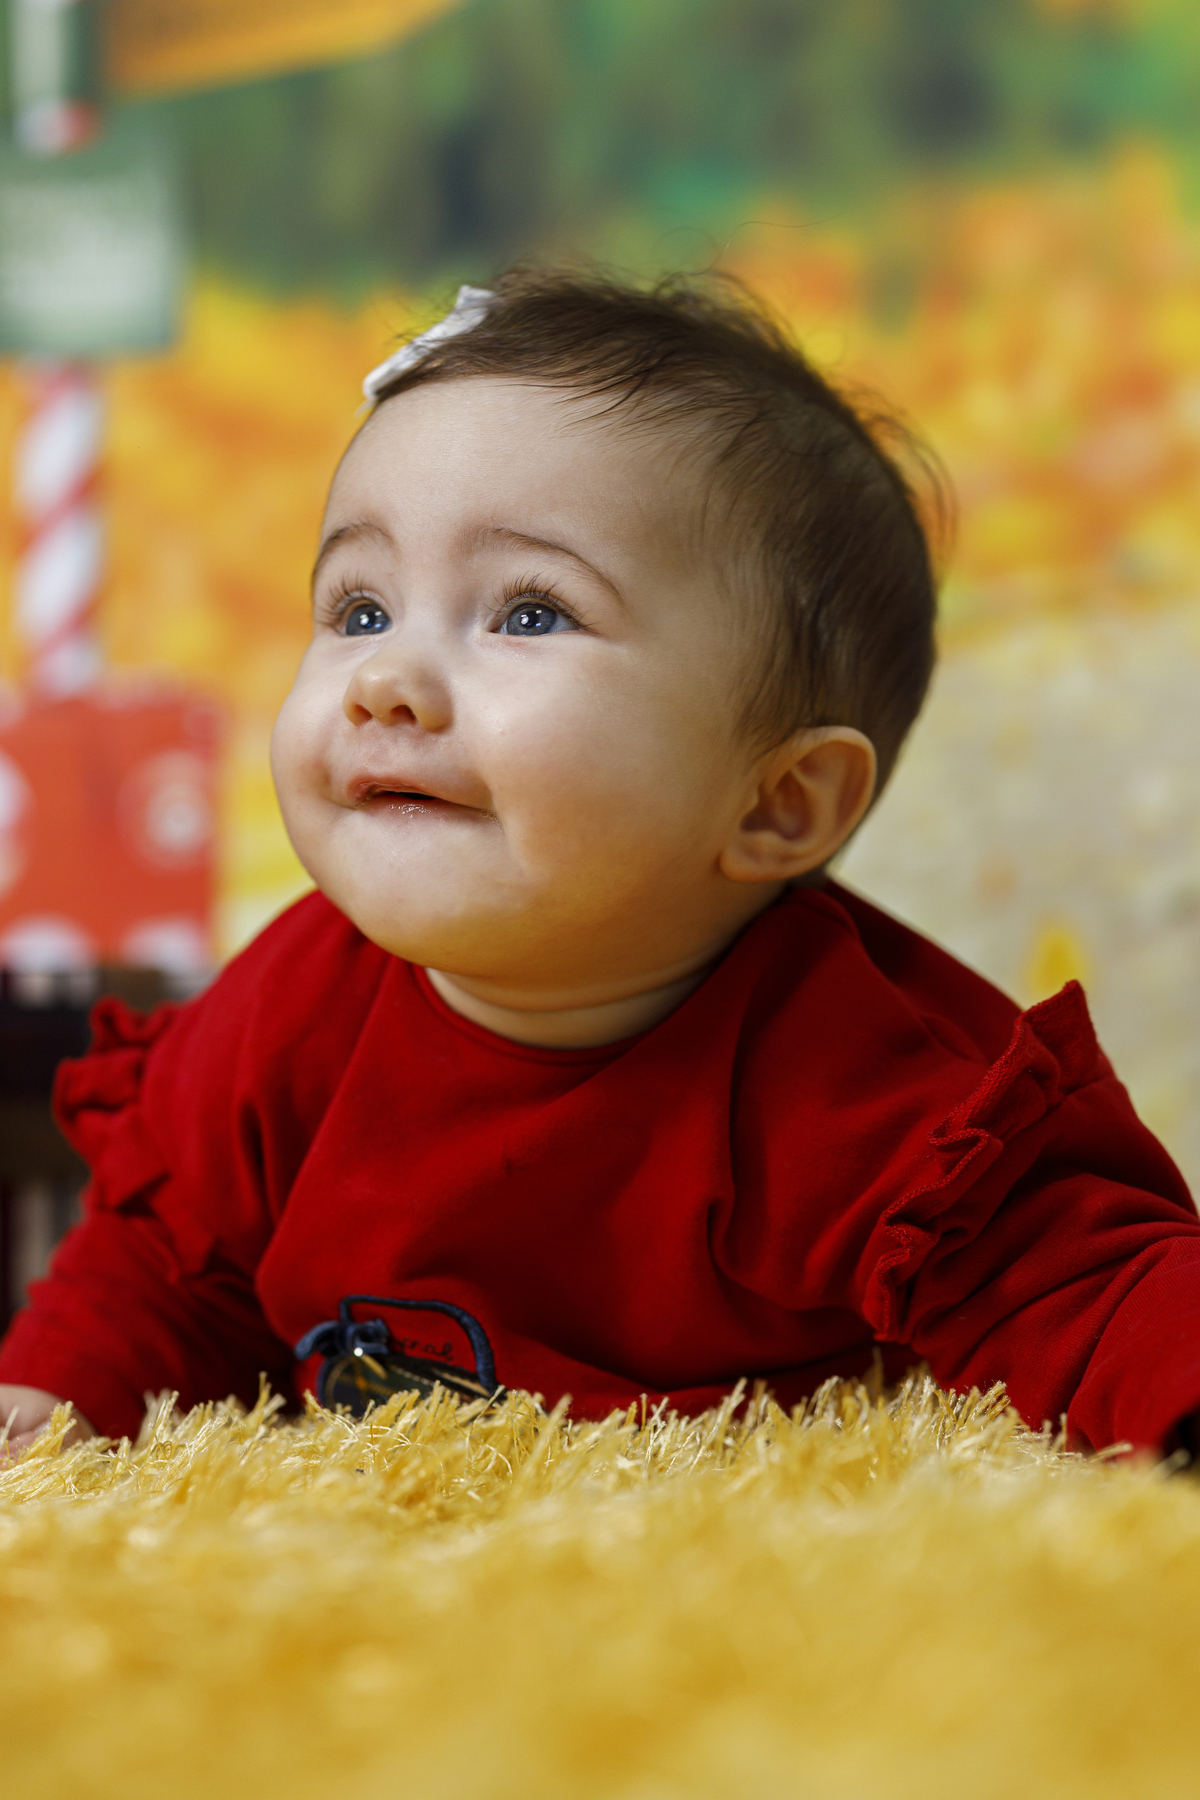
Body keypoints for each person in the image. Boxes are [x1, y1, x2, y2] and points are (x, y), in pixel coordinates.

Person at [3, 268, 1199, 1459]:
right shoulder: (290, 1014)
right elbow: (175, 1264)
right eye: (359, 609)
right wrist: (57, 1406)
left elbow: (1088, 1286)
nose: (386, 680)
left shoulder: (862, 1078)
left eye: (529, 612)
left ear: (778, 804)